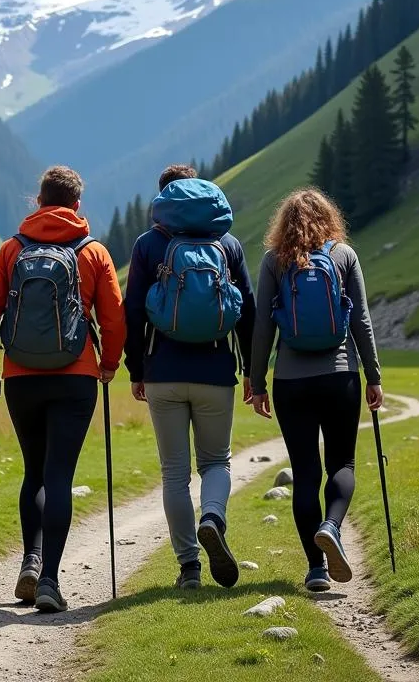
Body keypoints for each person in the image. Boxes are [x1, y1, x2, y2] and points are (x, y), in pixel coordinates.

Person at [0, 166, 125, 613]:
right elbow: (115, 317)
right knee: (60, 475)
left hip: (21, 376)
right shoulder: (93, 251)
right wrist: (110, 363)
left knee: (34, 472)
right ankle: (50, 581)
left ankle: (29, 559)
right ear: (76, 205)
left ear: (38, 201)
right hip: (77, 376)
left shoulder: (11, 250)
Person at [124, 164, 256, 590]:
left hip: (163, 371)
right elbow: (247, 309)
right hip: (216, 371)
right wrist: (254, 371)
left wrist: (136, 368)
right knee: (216, 461)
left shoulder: (148, 245)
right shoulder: (228, 243)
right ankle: (213, 518)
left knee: (174, 473)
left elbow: (132, 312)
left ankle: (189, 568)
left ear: (164, 200)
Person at [249, 188, 383, 592]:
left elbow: (263, 327)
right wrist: (373, 376)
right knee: (342, 464)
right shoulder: (343, 255)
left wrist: (258, 384)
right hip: (339, 376)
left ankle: (316, 569)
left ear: (283, 223)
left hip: (291, 382)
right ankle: (331, 526)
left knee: (304, 472)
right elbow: (361, 320)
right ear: (330, 219)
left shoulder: (274, 261)